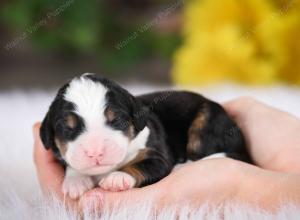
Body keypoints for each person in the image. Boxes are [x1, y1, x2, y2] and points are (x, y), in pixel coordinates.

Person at [33, 97, 300, 213]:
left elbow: (154, 162)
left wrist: (238, 186)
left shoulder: (146, 136)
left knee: (202, 143)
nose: (95, 150)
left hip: (201, 125)